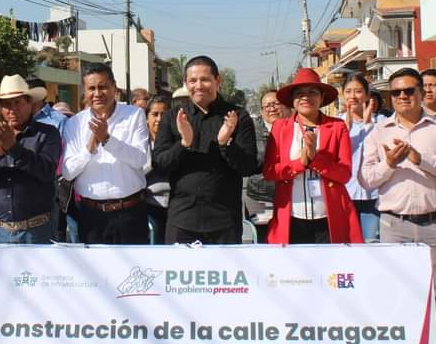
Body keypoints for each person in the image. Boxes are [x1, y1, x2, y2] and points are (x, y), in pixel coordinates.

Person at [360, 67, 436, 344]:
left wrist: (421, 159)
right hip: (394, 223)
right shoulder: (378, 133)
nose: (403, 97)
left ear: (422, 92)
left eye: (409, 90)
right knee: (397, 294)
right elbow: (365, 180)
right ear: (389, 97)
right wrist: (390, 163)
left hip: (434, 221)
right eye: (397, 92)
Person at [153, 56, 257, 244]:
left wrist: (225, 143)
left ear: (218, 81)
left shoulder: (238, 116)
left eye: (205, 79)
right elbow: (160, 164)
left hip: (225, 222)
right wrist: (184, 143)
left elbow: (248, 167)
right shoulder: (172, 117)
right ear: (185, 83)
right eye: (193, 80)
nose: (199, 86)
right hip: (182, 220)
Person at [263, 69, 363, 244]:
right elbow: (270, 171)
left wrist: (316, 159)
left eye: (312, 92)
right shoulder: (280, 127)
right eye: (300, 93)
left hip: (328, 214)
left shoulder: (337, 126)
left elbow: (345, 174)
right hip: (291, 215)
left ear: (322, 97)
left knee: (332, 269)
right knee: (292, 271)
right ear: (293, 100)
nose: (306, 97)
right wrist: (300, 163)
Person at [0, 75, 62, 244]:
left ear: (30, 104)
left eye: (18, 103)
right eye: (7, 104)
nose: (12, 109)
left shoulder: (48, 134)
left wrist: (14, 149)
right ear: (1, 108)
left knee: (39, 272)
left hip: (36, 230)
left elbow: (47, 172)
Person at [62, 65, 151, 244]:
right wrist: (90, 147)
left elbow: (140, 159)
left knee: (134, 271)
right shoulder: (74, 123)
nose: (97, 93)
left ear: (114, 87)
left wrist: (107, 140)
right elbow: (68, 172)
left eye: (102, 87)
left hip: (130, 212)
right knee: (95, 271)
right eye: (91, 88)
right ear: (84, 91)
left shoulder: (134, 115)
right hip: (91, 216)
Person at [244, 89, 288, 235]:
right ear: (262, 110)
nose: (272, 108)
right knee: (263, 239)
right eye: (267, 106)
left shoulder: (294, 128)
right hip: (260, 196)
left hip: (290, 195)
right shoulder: (251, 130)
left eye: (276, 103)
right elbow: (249, 162)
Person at [342, 74, 380, 242]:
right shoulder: (336, 123)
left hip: (372, 195)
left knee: (369, 243)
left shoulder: (382, 121)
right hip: (345, 193)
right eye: (348, 91)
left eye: (358, 91)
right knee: (347, 244)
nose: (353, 96)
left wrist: (368, 125)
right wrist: (345, 130)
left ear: (366, 94)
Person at [144, 95, 172, 243]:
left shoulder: (177, 141)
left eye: (164, 115)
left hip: (175, 205)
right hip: (149, 205)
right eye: (155, 114)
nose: (159, 119)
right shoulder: (140, 143)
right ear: (147, 118)